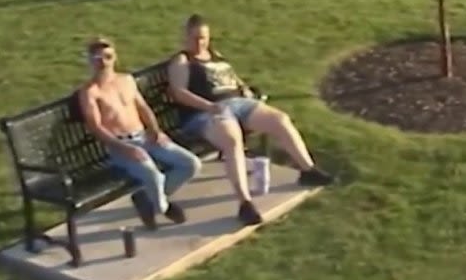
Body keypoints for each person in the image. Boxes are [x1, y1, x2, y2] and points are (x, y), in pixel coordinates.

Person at [167, 15, 334, 226]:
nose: (199, 43)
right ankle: (244, 203)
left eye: (203, 38)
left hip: (238, 104)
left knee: (280, 119)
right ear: (185, 38)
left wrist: (245, 90)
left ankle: (308, 170)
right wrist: (209, 106)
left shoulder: (216, 56)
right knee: (232, 139)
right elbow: (179, 93)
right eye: (194, 38)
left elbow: (232, 80)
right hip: (205, 112)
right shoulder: (182, 61)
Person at [77, 37, 202, 230]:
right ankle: (163, 208)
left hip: (144, 137)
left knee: (191, 164)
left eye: (108, 57)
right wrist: (125, 149)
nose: (103, 62)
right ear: (90, 61)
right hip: (120, 146)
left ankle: (146, 198)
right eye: (97, 58)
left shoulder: (126, 80)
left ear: (115, 57)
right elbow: (95, 127)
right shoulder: (90, 92)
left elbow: (143, 108)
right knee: (154, 175)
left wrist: (156, 131)